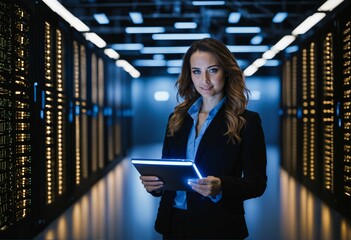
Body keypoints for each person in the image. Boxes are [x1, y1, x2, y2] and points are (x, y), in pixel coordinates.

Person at [140, 38, 267, 239]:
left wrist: (221, 187)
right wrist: (155, 186)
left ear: (226, 71)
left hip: (219, 227)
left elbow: (257, 183)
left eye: (213, 70)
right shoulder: (177, 119)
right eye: (196, 71)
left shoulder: (247, 121)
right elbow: (168, 173)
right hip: (174, 224)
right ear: (189, 75)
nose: (204, 80)